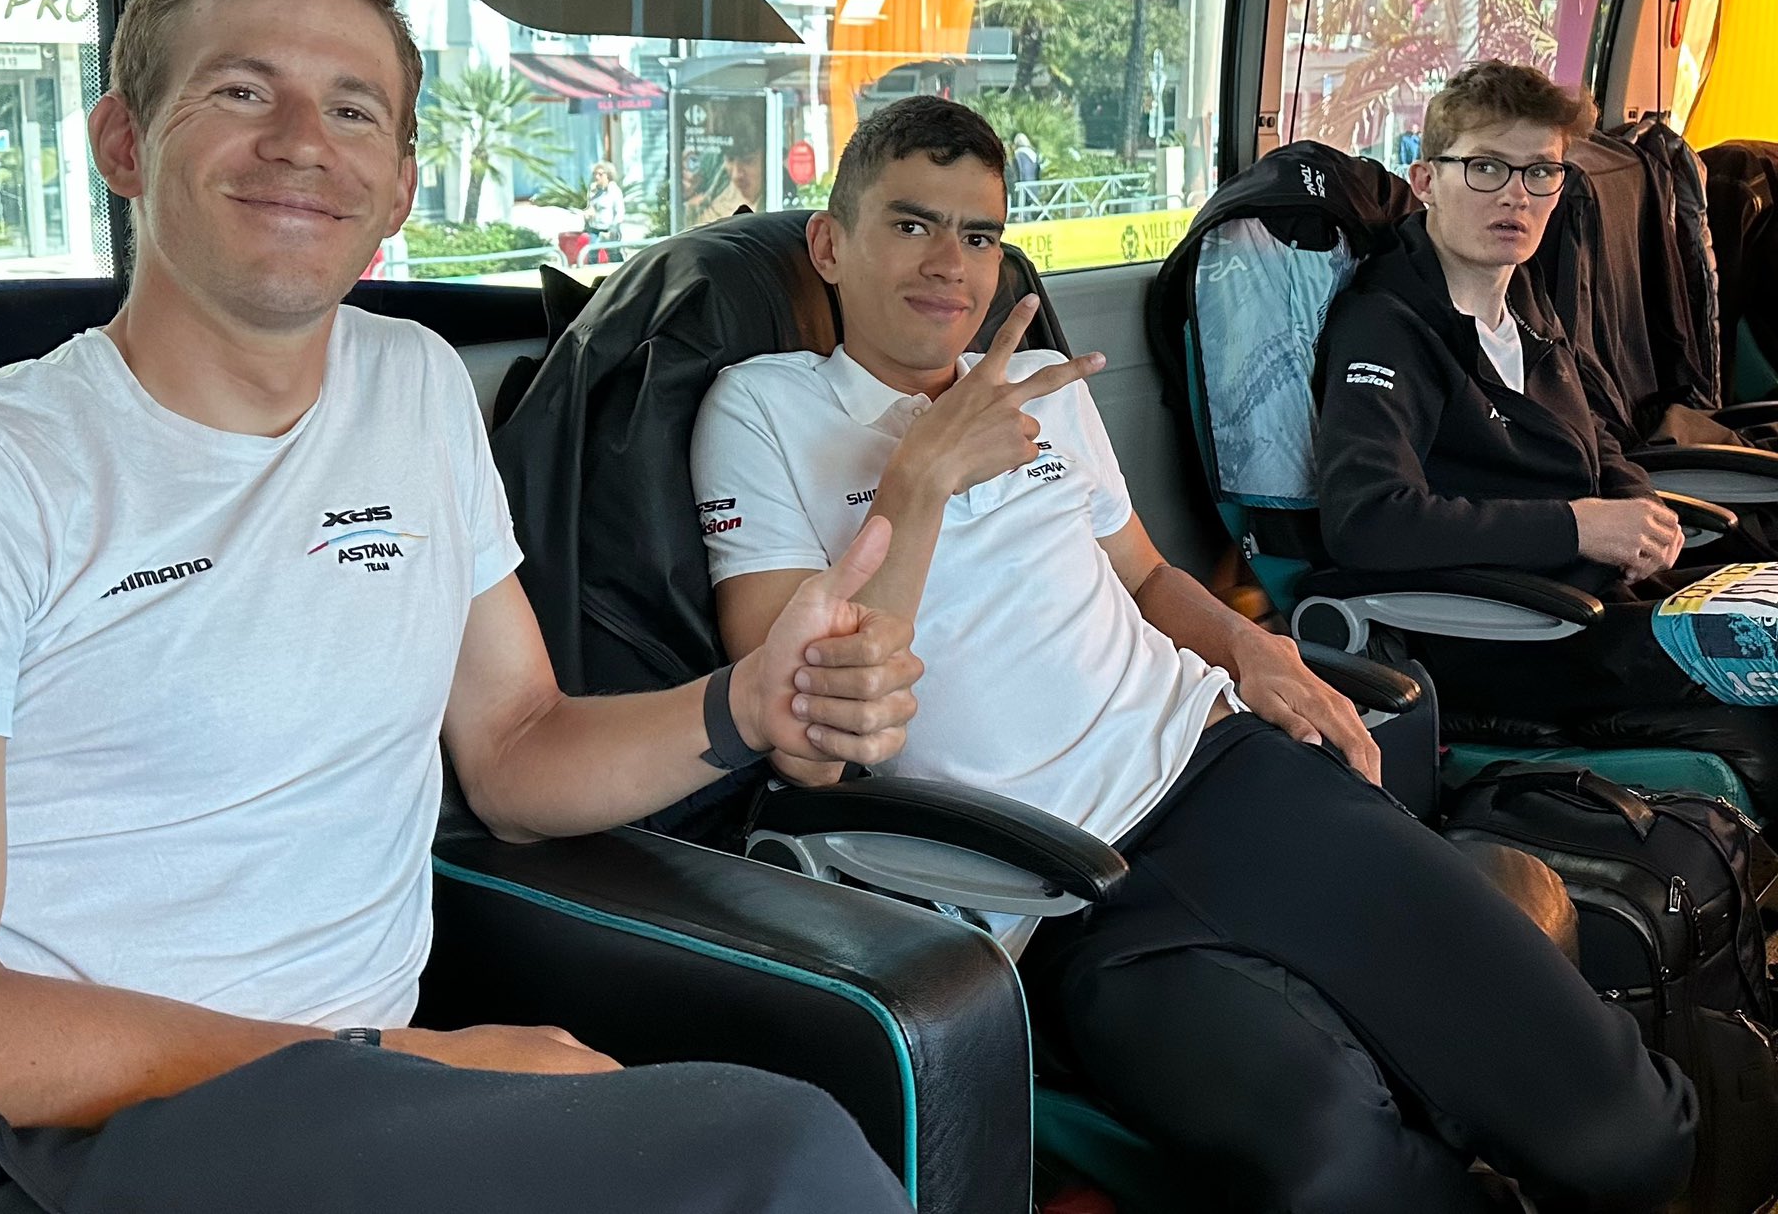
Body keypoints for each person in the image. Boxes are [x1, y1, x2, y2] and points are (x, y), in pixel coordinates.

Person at [0, 0, 923, 1214]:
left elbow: (516, 750)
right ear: (124, 142)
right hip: (16, 1158)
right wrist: (402, 1066)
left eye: (353, 110)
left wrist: (746, 705)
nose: (303, 140)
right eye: (242, 92)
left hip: (346, 1123)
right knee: (774, 1161)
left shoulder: (410, 387)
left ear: (399, 186)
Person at [690, 94, 1695, 1214]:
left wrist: (1255, 652)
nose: (950, 266)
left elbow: (1145, 578)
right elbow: (805, 733)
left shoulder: (1043, 389)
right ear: (829, 245)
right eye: (911, 224)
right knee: (1333, 1171)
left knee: (1628, 1139)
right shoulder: (763, 409)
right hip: (1049, 886)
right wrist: (920, 477)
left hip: (1224, 771)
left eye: (978, 235)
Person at [1315, 60, 1778, 813]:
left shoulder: (1522, 297)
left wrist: (1637, 509)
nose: (1516, 197)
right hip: (1506, 631)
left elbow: (1595, 431)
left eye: (1540, 173)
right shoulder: (1387, 328)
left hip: (1598, 602)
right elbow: (1368, 520)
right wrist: (1577, 527)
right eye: (1486, 167)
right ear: (1426, 179)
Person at [582, 159, 624, 264]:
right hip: (594, 229)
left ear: (608, 175)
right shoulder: (593, 190)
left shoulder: (614, 191)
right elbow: (590, 207)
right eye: (595, 174)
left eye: (600, 174)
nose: (597, 177)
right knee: (592, 255)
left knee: (614, 255)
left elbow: (619, 212)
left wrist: (613, 229)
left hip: (608, 230)